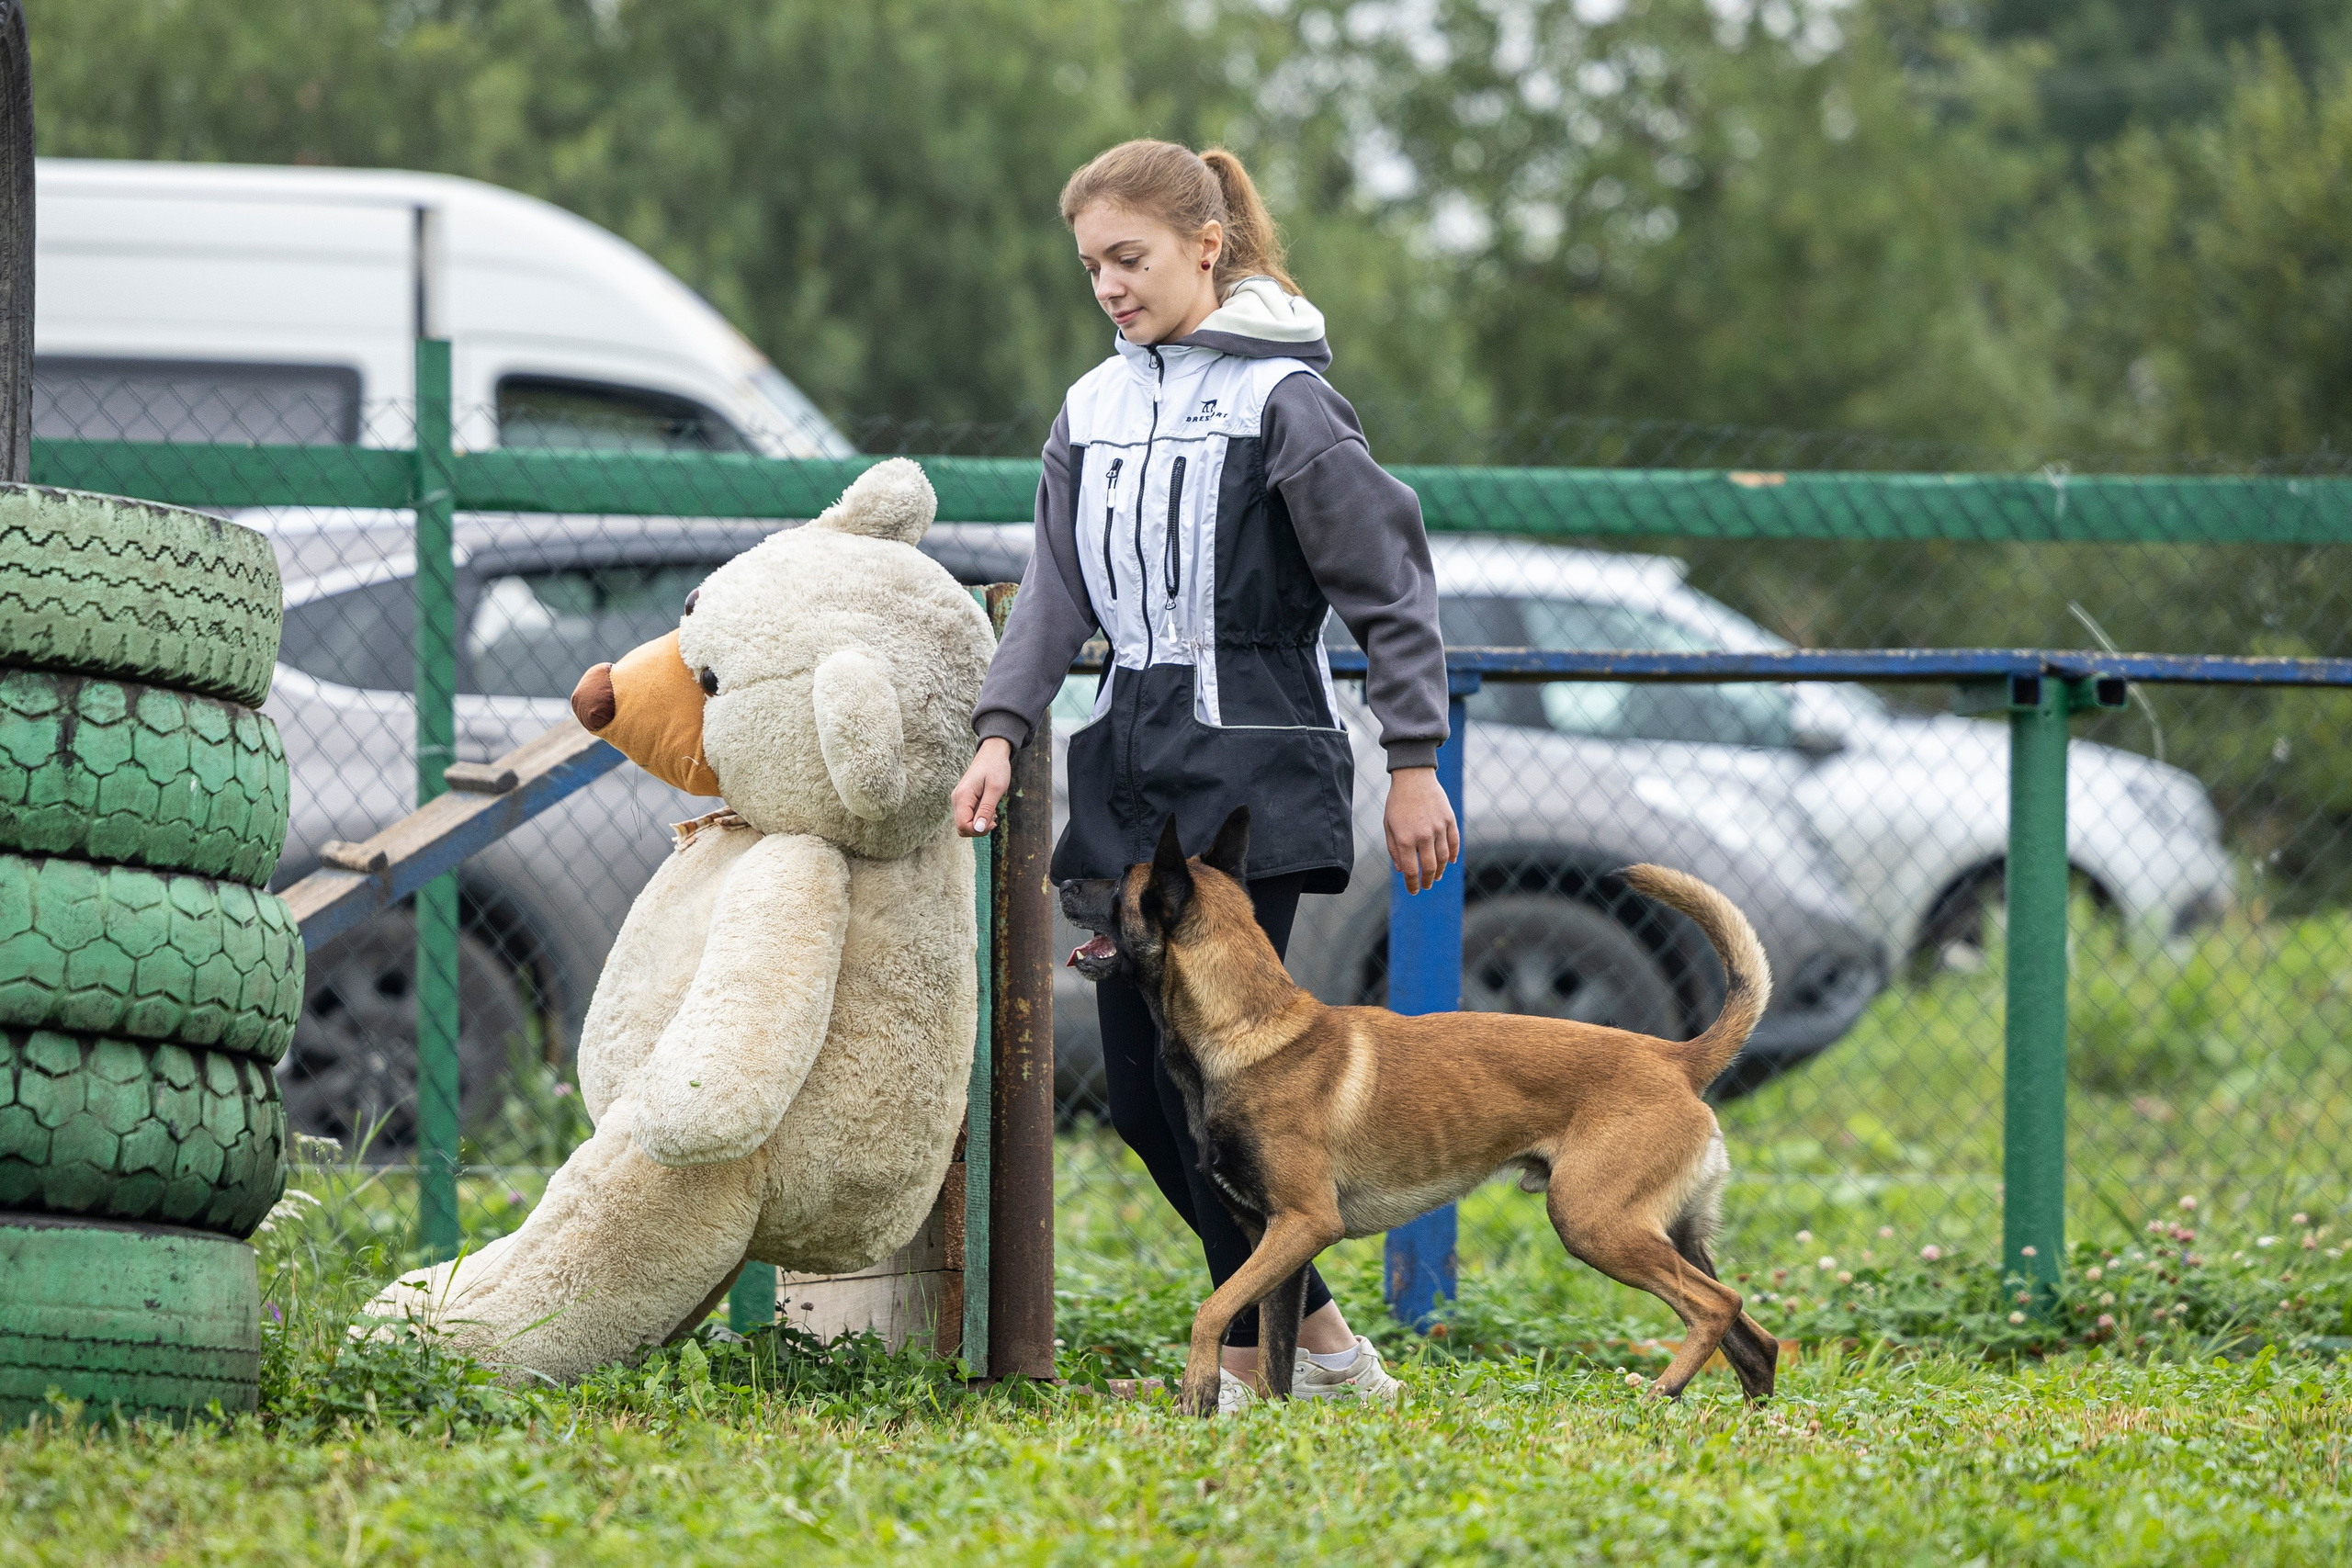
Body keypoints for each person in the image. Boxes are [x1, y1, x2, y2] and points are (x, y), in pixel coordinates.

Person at [951, 139, 1458, 1411]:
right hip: (1127, 772)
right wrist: (1003, 731)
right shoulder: (1089, 408)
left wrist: (1414, 760)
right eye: (1091, 268)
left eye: (1130, 258)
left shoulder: (1288, 405)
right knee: (1140, 1097)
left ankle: (1248, 1367)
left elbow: (1388, 588)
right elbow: (1054, 596)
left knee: (1222, 1101)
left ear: (1206, 248)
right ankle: (1328, 1350)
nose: (1109, 287)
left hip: (1252, 778)